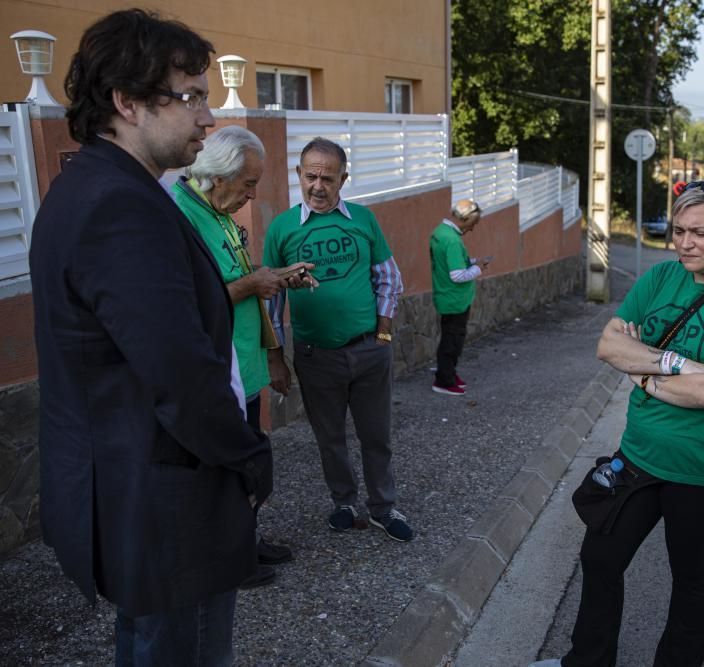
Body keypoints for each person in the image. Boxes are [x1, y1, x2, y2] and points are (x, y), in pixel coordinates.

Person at [29, 9, 273, 664]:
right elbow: (180, 370)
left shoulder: (96, 186)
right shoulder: (119, 204)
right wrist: (249, 454)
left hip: (144, 494)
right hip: (165, 508)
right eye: (190, 95)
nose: (207, 117)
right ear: (127, 102)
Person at [532, 180, 704, 667]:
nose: (686, 243)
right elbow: (608, 346)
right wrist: (678, 366)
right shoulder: (659, 278)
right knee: (600, 559)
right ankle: (587, 662)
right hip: (639, 455)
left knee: (690, 580)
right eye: (678, 231)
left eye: (701, 232)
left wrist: (643, 370)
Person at [173, 125, 314, 588]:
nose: (251, 196)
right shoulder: (180, 216)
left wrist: (273, 278)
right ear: (217, 176)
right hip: (216, 373)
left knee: (247, 465)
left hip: (244, 365)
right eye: (248, 184)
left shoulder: (219, 213)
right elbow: (191, 301)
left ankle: (245, 543)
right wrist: (254, 283)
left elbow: (238, 280)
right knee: (226, 470)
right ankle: (229, 559)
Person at [264, 137, 413, 542]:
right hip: (315, 357)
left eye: (327, 178)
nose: (317, 185)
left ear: (343, 179)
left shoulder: (363, 220)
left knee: (376, 435)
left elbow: (389, 277)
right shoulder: (281, 228)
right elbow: (271, 301)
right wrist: (276, 358)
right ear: (298, 175)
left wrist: (383, 331)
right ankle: (344, 502)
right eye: (310, 176)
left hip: (368, 349)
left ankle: (383, 507)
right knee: (329, 438)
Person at [429, 198, 490, 396]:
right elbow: (457, 275)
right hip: (455, 299)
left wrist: (472, 261)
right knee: (452, 341)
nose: (472, 229)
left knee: (450, 338)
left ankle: (449, 373)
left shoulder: (440, 232)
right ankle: (444, 380)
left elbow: (450, 263)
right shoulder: (453, 240)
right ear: (464, 220)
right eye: (473, 225)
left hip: (445, 296)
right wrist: (478, 268)